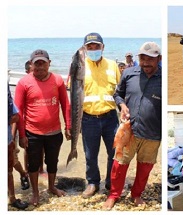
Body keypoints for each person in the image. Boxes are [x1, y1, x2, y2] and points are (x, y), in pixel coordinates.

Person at [102, 42, 161, 209]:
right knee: (119, 164)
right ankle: (114, 194)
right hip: (129, 131)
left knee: (145, 168)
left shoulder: (164, 78)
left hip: (153, 134)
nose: (146, 62)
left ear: (159, 59)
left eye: (151, 59)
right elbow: (117, 94)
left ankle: (137, 194)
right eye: (142, 58)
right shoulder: (128, 73)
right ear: (138, 58)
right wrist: (121, 105)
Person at [15, 49, 71, 206]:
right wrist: (22, 135)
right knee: (33, 164)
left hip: (54, 131)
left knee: (52, 161)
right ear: (31, 64)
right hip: (32, 132)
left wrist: (68, 125)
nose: (40, 67)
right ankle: (35, 193)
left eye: (43, 63)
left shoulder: (58, 80)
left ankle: (52, 187)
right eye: (36, 64)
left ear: (49, 63)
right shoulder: (23, 83)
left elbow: (65, 104)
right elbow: (18, 111)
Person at [80, 32, 121, 198]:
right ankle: (92, 183)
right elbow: (74, 95)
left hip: (111, 117)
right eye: (89, 46)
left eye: (96, 46)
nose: (93, 49)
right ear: (85, 49)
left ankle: (111, 182)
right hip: (88, 118)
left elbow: (120, 91)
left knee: (114, 152)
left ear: (103, 47)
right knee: (90, 154)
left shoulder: (112, 65)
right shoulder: (79, 66)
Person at [8, 86, 29, 210]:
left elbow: (16, 116)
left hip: (8, 137)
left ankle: (12, 198)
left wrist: (13, 136)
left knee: (10, 164)